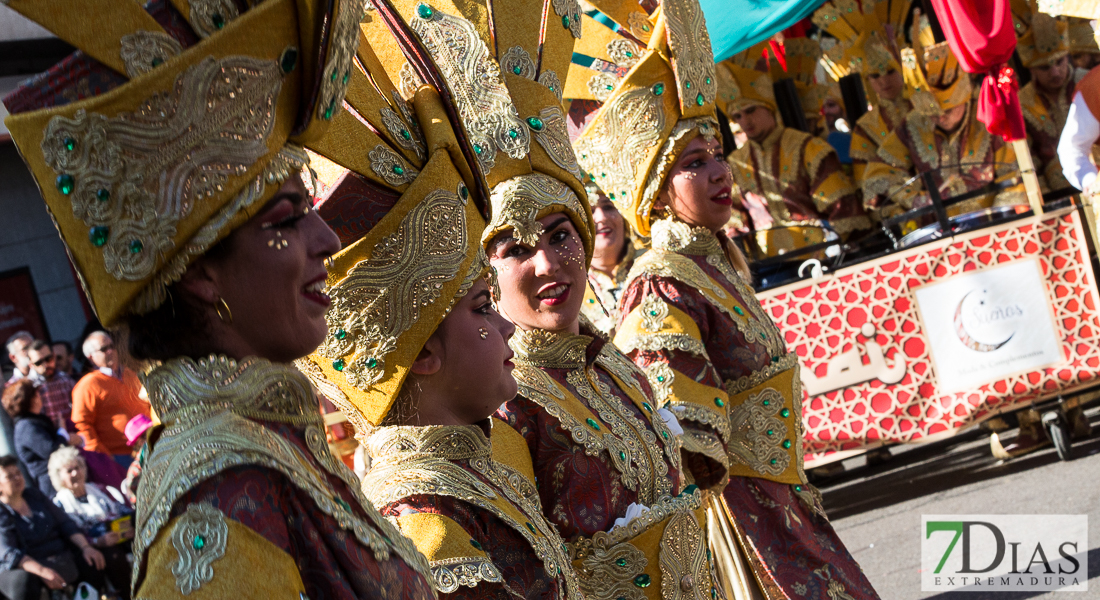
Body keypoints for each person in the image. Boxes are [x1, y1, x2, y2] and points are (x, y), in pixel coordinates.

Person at [2, 0, 435, 596]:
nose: (327, 239)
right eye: (288, 218)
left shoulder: (267, 436)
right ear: (202, 273)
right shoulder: (219, 485)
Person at [573, 4, 881, 598]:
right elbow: (675, 425)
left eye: (718, 155)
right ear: (656, 190)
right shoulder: (661, 282)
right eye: (694, 164)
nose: (720, 172)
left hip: (782, 503)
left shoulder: (711, 264)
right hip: (740, 522)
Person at [485, 2, 727, 598]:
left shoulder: (609, 362)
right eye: (516, 248)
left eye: (560, 236)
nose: (547, 263)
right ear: (481, 273)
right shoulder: (501, 401)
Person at [862, 18, 1026, 220]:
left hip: (996, 225)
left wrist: (1000, 220)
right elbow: (878, 174)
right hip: (941, 232)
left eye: (947, 110)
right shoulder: (914, 123)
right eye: (932, 114)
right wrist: (914, 199)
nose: (940, 117)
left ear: (964, 100)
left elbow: (1016, 174)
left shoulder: (987, 116)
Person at [716, 54, 872, 242]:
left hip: (820, 254)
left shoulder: (807, 148)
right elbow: (731, 213)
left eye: (751, 110)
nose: (745, 121)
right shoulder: (736, 163)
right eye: (738, 116)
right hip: (771, 264)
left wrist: (837, 248)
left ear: (769, 108)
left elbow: (844, 209)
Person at [814, 0, 914, 188]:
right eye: (875, 76)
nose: (884, 82)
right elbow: (866, 182)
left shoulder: (925, 107)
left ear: (902, 67)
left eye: (890, 72)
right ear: (867, 80)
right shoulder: (866, 128)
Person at [0, 455, 107, 599]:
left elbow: (66, 524)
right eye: (10, 477)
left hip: (60, 556)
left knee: (91, 559)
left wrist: (86, 547)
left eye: (18, 473)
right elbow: (9, 553)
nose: (17, 478)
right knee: (23, 581)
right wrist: (42, 571)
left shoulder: (34, 496)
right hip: (29, 566)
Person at [48, 447, 132, 599]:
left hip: (120, 539)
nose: (75, 473)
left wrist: (130, 527)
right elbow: (68, 534)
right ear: (58, 476)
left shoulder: (98, 489)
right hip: (88, 550)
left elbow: (122, 510)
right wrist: (96, 541)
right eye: (69, 471)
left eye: (78, 468)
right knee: (109, 556)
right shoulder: (58, 503)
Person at [1014, 2, 1075, 192]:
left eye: (1059, 61)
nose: (1055, 72)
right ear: (1031, 68)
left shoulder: (1089, 84)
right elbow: (1028, 161)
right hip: (1058, 196)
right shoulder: (1023, 103)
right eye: (1044, 67)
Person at [71, 332, 148, 465]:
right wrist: (103, 456)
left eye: (112, 346)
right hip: (120, 456)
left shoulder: (131, 374)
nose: (110, 351)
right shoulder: (88, 385)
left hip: (150, 445)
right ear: (91, 357)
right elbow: (82, 424)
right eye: (104, 349)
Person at [581, 185, 641, 335]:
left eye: (608, 207)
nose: (601, 217)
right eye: (591, 210)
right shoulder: (571, 283)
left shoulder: (652, 267)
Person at [2, 380, 65, 496]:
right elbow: (51, 450)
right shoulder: (26, 427)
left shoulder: (35, 420)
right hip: (53, 487)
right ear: (30, 400)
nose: (40, 397)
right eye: (36, 394)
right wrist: (63, 433)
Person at [25, 340, 76, 434]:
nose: (45, 365)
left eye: (48, 359)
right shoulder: (29, 387)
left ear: (54, 356)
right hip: (49, 438)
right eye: (39, 362)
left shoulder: (66, 379)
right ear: (31, 365)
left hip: (73, 431)